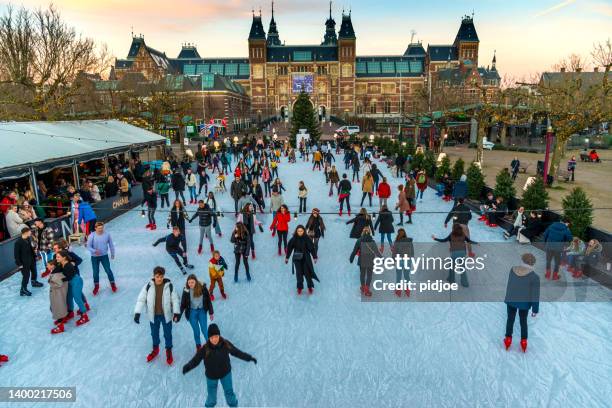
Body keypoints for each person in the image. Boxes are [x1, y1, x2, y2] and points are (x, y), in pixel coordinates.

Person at [182, 323, 257, 408]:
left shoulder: (226, 344)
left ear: (219, 335)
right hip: (211, 376)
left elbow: (236, 352)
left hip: (226, 373)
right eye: (212, 337)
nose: (214, 339)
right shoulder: (205, 349)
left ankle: (233, 406)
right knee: (211, 397)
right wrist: (188, 367)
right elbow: (196, 360)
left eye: (216, 336)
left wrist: (249, 358)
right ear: (209, 338)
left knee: (229, 393)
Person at [133, 266, 181, 365]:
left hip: (166, 316)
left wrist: (176, 312)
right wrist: (137, 313)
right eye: (157, 276)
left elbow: (175, 299)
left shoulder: (169, 286)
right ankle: (156, 350)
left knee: (168, 334)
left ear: (163, 276)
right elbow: (141, 299)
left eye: (161, 276)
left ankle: (168, 350)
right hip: (153, 316)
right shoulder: (148, 286)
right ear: (154, 276)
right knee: (154, 334)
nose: (159, 278)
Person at [504, 253, 540, 353]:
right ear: (533, 264)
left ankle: (508, 339)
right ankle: (523, 341)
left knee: (510, 319)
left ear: (522, 260)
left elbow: (510, 284)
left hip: (511, 300)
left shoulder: (513, 270)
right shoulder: (534, 277)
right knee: (523, 321)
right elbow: (535, 295)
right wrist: (535, 309)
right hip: (524, 303)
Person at [432, 223, 477, 287]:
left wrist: (435, 238)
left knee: (452, 267)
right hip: (462, 252)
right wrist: (476, 243)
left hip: (455, 252)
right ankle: (465, 283)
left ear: (453, 228)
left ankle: (451, 280)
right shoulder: (463, 234)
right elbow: (469, 241)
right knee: (462, 268)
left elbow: (444, 240)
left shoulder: (451, 234)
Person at [55, 250, 89, 326]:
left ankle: (84, 315)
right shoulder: (61, 264)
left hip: (76, 281)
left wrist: (60, 280)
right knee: (68, 297)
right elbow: (56, 270)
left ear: (64, 258)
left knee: (77, 298)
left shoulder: (68, 265)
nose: (56, 258)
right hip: (69, 282)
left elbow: (69, 277)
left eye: (58, 257)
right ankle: (70, 312)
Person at [180, 274, 214, 352]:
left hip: (202, 311)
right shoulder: (186, 291)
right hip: (192, 312)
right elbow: (183, 304)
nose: (191, 284)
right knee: (196, 331)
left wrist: (211, 312)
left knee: (204, 330)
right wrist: (178, 316)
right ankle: (198, 346)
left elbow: (208, 300)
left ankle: (210, 344)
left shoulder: (203, 288)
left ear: (196, 281)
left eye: (192, 282)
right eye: (189, 282)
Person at [285, 225, 319, 295]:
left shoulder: (307, 238)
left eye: (301, 231)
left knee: (307, 273)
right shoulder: (294, 239)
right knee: (299, 273)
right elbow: (289, 248)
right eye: (298, 231)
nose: (300, 232)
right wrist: (287, 257)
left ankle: (310, 286)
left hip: (306, 258)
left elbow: (311, 248)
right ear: (296, 231)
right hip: (297, 258)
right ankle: (299, 287)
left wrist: (314, 257)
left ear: (303, 231)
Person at [349, 227, 381, 297]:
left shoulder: (359, 240)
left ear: (363, 232)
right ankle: (367, 288)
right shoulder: (372, 241)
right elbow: (376, 252)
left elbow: (354, 251)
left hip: (362, 260)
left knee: (362, 274)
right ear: (369, 233)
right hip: (370, 260)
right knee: (369, 275)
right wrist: (382, 259)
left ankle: (363, 287)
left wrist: (351, 258)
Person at [87, 221, 117, 295]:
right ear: (95, 228)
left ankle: (113, 284)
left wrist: (112, 253)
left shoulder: (107, 234)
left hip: (104, 256)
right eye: (99, 228)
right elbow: (88, 246)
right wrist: (94, 251)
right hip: (94, 257)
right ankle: (96, 286)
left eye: (102, 228)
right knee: (95, 272)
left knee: (108, 270)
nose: (101, 230)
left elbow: (111, 245)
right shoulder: (92, 235)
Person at [14, 227, 43, 296]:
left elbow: (30, 248)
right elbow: (16, 255)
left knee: (34, 271)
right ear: (26, 232)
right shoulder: (18, 242)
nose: (31, 233)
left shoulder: (28, 238)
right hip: (24, 263)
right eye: (30, 231)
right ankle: (23, 289)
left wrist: (34, 254)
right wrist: (19, 264)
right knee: (26, 276)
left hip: (31, 259)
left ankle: (34, 282)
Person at [47, 259, 69, 334]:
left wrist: (50, 282)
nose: (47, 266)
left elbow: (59, 284)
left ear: (53, 266)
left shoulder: (56, 274)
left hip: (58, 295)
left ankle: (60, 327)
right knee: (54, 308)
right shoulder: (54, 273)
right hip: (56, 294)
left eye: (48, 265)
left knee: (57, 309)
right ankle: (61, 320)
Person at [392, 228, 414, 297]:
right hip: (408, 260)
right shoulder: (409, 241)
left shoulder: (397, 242)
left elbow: (394, 252)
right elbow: (412, 252)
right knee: (407, 275)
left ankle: (398, 290)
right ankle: (407, 289)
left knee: (399, 276)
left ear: (398, 234)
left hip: (400, 260)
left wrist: (393, 259)